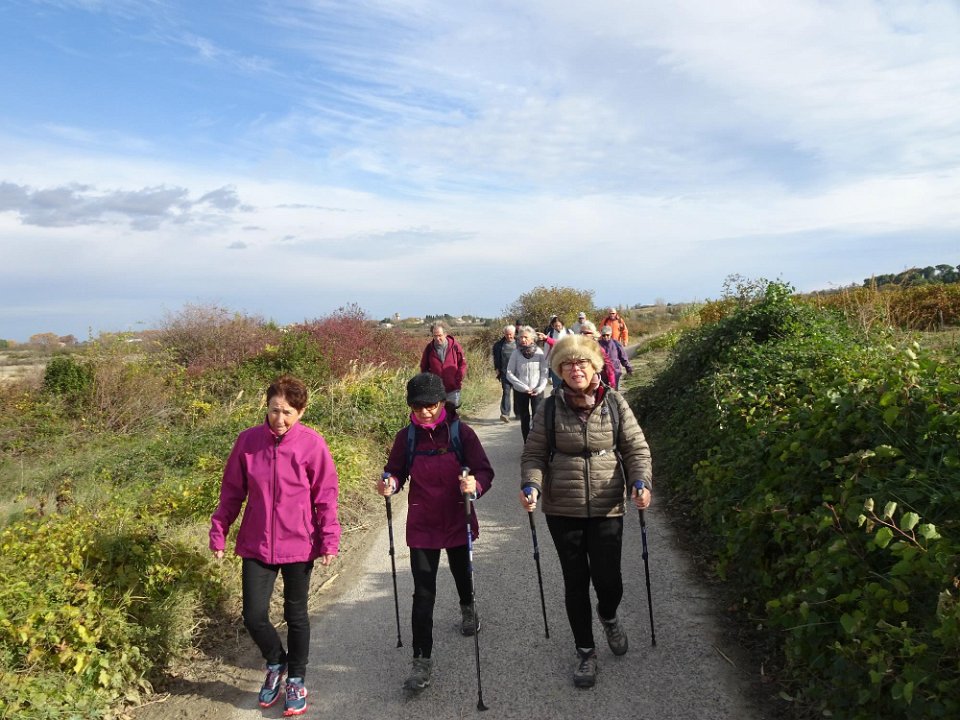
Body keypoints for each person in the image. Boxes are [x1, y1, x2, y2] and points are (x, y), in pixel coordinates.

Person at [519, 335, 652, 689]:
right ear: (559, 370)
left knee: (609, 581)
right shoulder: (549, 408)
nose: (575, 369)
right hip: (563, 506)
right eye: (567, 364)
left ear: (594, 366)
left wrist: (640, 482)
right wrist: (531, 485)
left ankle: (608, 615)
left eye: (581, 363)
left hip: (608, 504)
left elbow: (636, 448)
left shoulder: (615, 402)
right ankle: (586, 652)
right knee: (575, 581)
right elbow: (534, 454)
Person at [209, 375, 340, 717]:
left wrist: (329, 539)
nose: (279, 419)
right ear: (266, 407)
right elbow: (231, 492)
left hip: (299, 543)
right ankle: (276, 662)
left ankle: (296, 679)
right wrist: (219, 530)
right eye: (273, 410)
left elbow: (325, 497)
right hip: (257, 543)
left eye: (287, 412)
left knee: (295, 615)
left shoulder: (312, 444)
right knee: (253, 616)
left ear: (301, 411)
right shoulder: (248, 442)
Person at [379, 373, 495, 694]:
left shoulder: (461, 433)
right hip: (423, 523)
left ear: (442, 402)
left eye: (430, 405)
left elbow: (484, 470)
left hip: (457, 516)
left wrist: (475, 485)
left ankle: (468, 607)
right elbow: (396, 471)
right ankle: (421, 661)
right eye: (417, 407)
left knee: (461, 571)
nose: (425, 412)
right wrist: (390, 482)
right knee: (423, 593)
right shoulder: (407, 438)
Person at [504, 326, 549, 442]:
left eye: (526, 337)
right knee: (524, 418)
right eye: (521, 337)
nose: (523, 340)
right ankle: (527, 443)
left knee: (537, 418)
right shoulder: (516, 353)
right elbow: (509, 373)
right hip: (521, 391)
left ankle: (538, 443)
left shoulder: (540, 353)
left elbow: (544, 372)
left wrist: (540, 388)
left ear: (532, 339)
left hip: (537, 391)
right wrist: (523, 387)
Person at [420, 322, 467, 408]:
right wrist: (429, 382)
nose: (437, 338)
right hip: (436, 389)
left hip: (453, 388)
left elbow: (462, 364)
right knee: (438, 413)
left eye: (439, 335)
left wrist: (458, 379)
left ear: (445, 334)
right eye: (435, 336)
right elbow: (424, 368)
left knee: (451, 412)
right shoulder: (429, 348)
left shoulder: (455, 346)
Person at [492, 325, 517, 422]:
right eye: (506, 334)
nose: (508, 336)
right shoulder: (498, 345)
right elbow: (496, 358)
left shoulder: (519, 344)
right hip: (505, 373)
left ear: (514, 334)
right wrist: (497, 368)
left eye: (510, 334)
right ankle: (505, 414)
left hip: (517, 373)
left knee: (518, 393)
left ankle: (518, 413)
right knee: (506, 392)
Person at [598, 325, 633, 390]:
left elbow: (623, 357)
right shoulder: (597, 344)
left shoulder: (616, 343)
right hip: (602, 373)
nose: (605, 337)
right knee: (603, 391)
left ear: (611, 334)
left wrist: (628, 368)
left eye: (607, 335)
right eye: (603, 335)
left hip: (615, 372)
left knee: (613, 390)